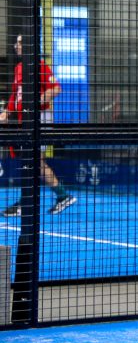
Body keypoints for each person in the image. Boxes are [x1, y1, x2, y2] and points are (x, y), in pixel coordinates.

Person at [0, 34, 77, 216]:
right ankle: (58, 196)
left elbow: (56, 89)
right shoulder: (19, 67)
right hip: (24, 119)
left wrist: (36, 102)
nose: (16, 45)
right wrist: (7, 112)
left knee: (33, 159)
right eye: (16, 42)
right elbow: (15, 95)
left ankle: (29, 201)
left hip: (39, 117)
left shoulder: (39, 65)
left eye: (20, 42)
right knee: (33, 160)